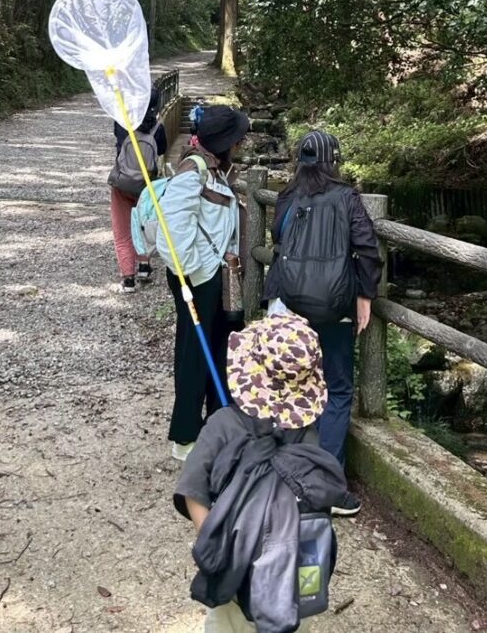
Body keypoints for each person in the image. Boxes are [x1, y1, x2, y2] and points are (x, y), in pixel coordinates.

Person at [174, 312, 347, 632]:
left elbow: (192, 490)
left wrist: (216, 543)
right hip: (290, 579)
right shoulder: (307, 433)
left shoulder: (223, 424)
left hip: (235, 572)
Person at [262, 130, 382, 515]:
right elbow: (366, 247)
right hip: (334, 307)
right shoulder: (347, 198)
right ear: (334, 160)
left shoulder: (286, 197)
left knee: (288, 385)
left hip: (289, 302)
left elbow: (277, 239)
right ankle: (329, 489)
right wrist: (365, 295)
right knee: (338, 390)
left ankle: (282, 479)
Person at [158, 105, 248, 461]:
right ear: (224, 141)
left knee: (217, 348)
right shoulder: (193, 170)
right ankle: (185, 436)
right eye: (237, 140)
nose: (240, 145)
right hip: (199, 277)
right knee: (194, 354)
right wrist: (197, 270)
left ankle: (215, 426)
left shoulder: (215, 170)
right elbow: (172, 228)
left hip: (214, 276)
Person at [111, 88, 168, 292]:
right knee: (143, 223)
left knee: (122, 230)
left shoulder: (122, 121)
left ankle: (128, 279)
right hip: (148, 184)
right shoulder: (158, 127)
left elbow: (118, 143)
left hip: (123, 183)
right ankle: (144, 266)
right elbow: (161, 150)